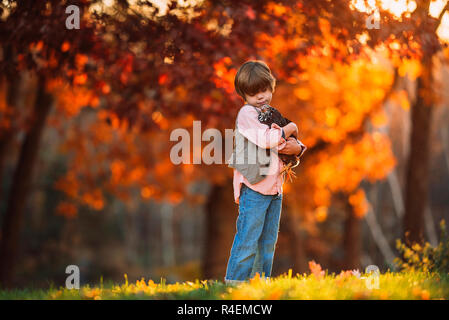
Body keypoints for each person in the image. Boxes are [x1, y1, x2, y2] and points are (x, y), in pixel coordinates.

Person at [224, 60, 306, 284]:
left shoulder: (272, 114)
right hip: (254, 188)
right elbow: (267, 139)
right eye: (253, 94)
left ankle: (259, 284)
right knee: (248, 239)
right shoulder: (247, 115)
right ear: (244, 95)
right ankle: (235, 284)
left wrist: (298, 147)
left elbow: (288, 144)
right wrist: (291, 128)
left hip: (274, 189)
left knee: (267, 242)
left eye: (264, 90)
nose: (260, 97)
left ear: (271, 87)